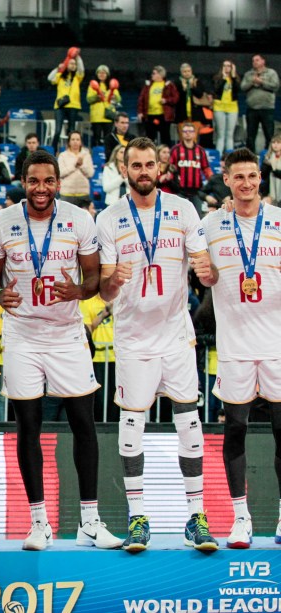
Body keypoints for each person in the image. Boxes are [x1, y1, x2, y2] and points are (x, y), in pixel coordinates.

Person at [0, 149, 121, 551]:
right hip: (22, 336)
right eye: (33, 181)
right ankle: (39, 523)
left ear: (58, 183)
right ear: (23, 182)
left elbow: (94, 275)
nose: (40, 189)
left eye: (47, 181)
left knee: (84, 424)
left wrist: (80, 290)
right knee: (29, 427)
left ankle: (90, 522)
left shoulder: (80, 219)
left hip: (66, 334)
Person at [97, 136, 219, 552]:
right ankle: (137, 518)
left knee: (190, 422)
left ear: (160, 168)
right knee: (132, 428)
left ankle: (196, 517)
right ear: (125, 168)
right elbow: (106, 290)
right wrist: (113, 280)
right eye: (136, 166)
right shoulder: (110, 218)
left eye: (150, 165)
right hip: (132, 337)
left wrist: (207, 270)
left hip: (175, 333)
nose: (144, 172)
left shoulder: (183, 210)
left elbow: (206, 272)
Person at [202, 147, 281, 548]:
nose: (247, 183)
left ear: (260, 179)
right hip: (234, 346)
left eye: (253, 176)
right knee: (235, 430)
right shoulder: (211, 225)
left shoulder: (280, 222)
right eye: (239, 177)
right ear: (227, 179)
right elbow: (205, 273)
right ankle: (240, 518)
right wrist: (208, 273)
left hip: (277, 345)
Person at [170, 122, 213, 211]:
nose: (188, 133)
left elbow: (206, 169)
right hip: (179, 191)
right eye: (185, 131)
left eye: (190, 131)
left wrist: (213, 181)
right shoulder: (175, 150)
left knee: (198, 218)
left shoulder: (200, 151)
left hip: (196, 192)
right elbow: (170, 168)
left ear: (194, 133)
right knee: (179, 217)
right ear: (182, 134)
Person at [48, 47, 84, 152]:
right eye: (71, 63)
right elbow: (50, 78)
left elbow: (81, 68)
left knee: (71, 131)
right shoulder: (60, 76)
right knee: (58, 130)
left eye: (74, 64)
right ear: (67, 64)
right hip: (60, 106)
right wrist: (58, 68)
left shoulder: (78, 76)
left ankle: (71, 150)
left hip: (73, 105)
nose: (73, 65)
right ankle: (53, 150)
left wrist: (77, 56)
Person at [241, 54, 279, 152]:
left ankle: (269, 156)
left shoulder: (271, 73)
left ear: (263, 61)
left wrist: (262, 82)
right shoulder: (248, 74)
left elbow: (275, 86)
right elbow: (243, 87)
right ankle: (250, 155)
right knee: (250, 135)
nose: (255, 62)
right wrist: (252, 82)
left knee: (269, 134)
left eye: (257, 60)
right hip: (252, 108)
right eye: (253, 60)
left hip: (267, 108)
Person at [138, 66, 179, 146]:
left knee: (165, 137)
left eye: (154, 73)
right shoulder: (148, 85)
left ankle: (166, 155)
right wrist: (140, 112)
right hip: (150, 115)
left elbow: (176, 98)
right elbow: (141, 99)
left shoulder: (168, 85)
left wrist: (166, 100)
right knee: (149, 138)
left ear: (160, 75)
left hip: (163, 116)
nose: (151, 75)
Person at [176, 63, 214, 148]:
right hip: (182, 115)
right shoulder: (177, 83)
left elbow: (200, 95)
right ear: (181, 72)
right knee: (183, 138)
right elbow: (176, 98)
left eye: (188, 71)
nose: (187, 73)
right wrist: (184, 88)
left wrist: (192, 87)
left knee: (194, 138)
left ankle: (193, 155)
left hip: (195, 115)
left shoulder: (196, 81)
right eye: (185, 71)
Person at [87, 65, 121, 147]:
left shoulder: (111, 85)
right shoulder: (92, 85)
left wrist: (114, 97)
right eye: (99, 72)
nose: (101, 74)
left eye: (104, 73)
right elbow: (88, 99)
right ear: (97, 74)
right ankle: (96, 156)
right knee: (96, 138)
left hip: (108, 117)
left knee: (108, 139)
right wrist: (96, 97)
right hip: (96, 117)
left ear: (107, 74)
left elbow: (119, 99)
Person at [58, 132, 95, 208]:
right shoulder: (63, 155)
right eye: (73, 139)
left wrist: (81, 165)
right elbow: (60, 173)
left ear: (81, 142)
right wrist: (75, 165)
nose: (75, 142)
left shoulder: (86, 155)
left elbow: (90, 173)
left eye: (77, 139)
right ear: (69, 142)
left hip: (83, 193)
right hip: (67, 194)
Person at [212, 60, 241, 154]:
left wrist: (233, 77)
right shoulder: (217, 78)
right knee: (220, 135)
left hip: (232, 108)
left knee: (229, 135)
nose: (226, 68)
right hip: (219, 107)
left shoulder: (235, 79)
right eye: (224, 65)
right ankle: (218, 156)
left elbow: (237, 90)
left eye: (229, 66)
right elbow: (216, 90)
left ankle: (230, 157)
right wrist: (224, 79)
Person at [261, 134, 281, 204]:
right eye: (273, 142)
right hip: (270, 190)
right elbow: (263, 175)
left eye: (278, 143)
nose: (275, 145)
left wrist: (274, 170)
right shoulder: (268, 157)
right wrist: (267, 165)